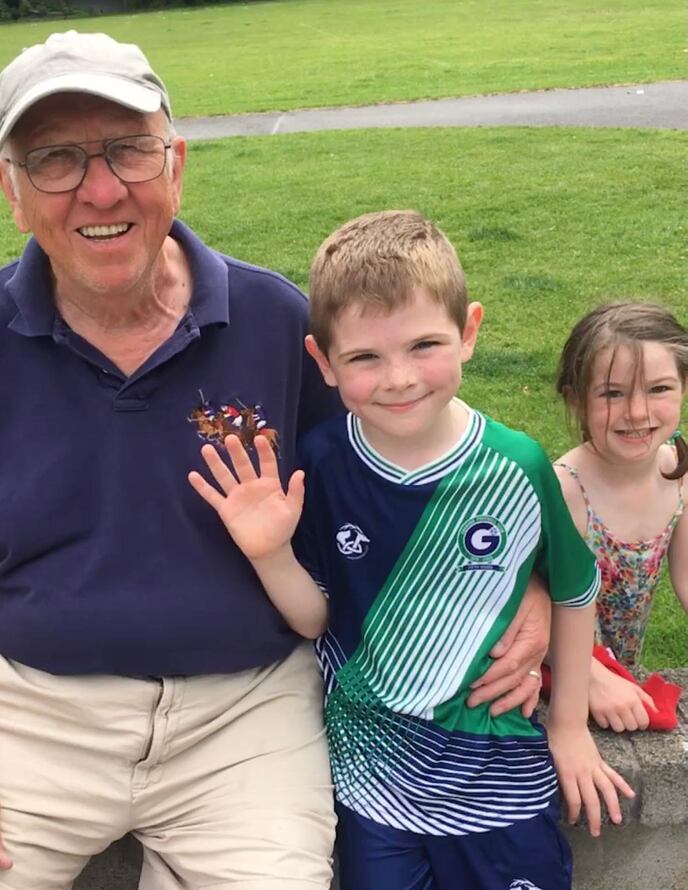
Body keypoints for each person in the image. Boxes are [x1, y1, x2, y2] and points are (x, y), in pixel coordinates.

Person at [0, 34, 550, 890]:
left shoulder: (276, 323)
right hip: (31, 710)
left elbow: (417, 467)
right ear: (11, 190)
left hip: (249, 718)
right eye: (54, 159)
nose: (100, 187)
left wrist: (526, 585)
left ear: (176, 165)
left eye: (129, 149)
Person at [190, 210, 636, 890]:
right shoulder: (321, 463)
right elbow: (316, 619)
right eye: (365, 356)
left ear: (470, 332)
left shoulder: (517, 466)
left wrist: (569, 728)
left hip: (501, 779)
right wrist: (269, 553)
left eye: (424, 345)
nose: (398, 378)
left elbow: (573, 593)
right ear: (324, 362)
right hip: (373, 784)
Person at [554, 302, 687, 732]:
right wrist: (592, 678)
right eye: (612, 393)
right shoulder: (566, 490)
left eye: (659, 389)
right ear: (576, 398)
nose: (637, 411)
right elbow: (524, 611)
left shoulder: (680, 476)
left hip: (621, 680)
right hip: (556, 677)